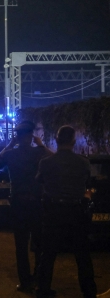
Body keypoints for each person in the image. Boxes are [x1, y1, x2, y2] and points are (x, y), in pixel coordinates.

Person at [35, 125, 97, 298]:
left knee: (48, 254)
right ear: (73, 141)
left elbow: (40, 181)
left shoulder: (46, 163)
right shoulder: (83, 162)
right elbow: (88, 183)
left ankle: (43, 289)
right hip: (76, 211)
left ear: (56, 140)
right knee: (82, 254)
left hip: (53, 211)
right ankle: (89, 291)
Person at [0, 120, 53, 293]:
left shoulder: (11, 154)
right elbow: (54, 158)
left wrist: (9, 145)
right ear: (31, 135)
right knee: (40, 244)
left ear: (17, 136)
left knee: (21, 245)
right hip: (37, 202)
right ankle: (40, 280)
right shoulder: (39, 153)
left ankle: (25, 282)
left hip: (18, 203)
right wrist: (41, 145)